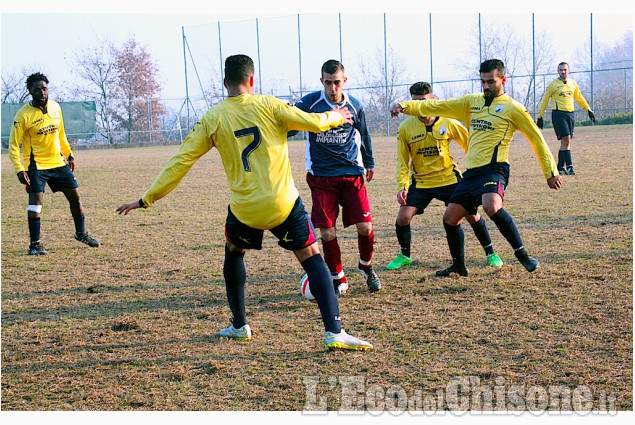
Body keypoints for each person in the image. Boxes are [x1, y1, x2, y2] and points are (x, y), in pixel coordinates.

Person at [117, 54, 372, 351]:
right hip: (283, 205)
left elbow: (181, 161)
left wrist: (147, 199)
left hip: (245, 210)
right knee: (313, 257)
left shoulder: (213, 117)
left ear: (224, 83)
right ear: (252, 80)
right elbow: (312, 122)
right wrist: (336, 117)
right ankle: (335, 332)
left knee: (234, 252)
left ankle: (239, 325)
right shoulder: (270, 105)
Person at [390, 59, 563, 275]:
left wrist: (551, 171)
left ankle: (522, 255)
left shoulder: (513, 108)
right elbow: (436, 105)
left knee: (491, 206)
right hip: (471, 174)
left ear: (503, 80)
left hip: (494, 168)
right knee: (450, 218)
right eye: (483, 82)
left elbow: (536, 138)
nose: (486, 86)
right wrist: (404, 106)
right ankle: (458, 265)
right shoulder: (471, 102)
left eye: (491, 81)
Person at [387, 82, 503, 273]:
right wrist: (403, 186)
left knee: (472, 216)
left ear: (432, 100)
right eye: (415, 103)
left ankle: (490, 253)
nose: (419, 107)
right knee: (403, 218)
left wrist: (481, 173)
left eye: (423, 102)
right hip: (421, 182)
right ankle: (405, 256)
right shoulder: (405, 127)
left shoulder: (448, 121)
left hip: (449, 179)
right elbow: (402, 161)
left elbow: (471, 145)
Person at [290, 59, 380, 295]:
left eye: (337, 83)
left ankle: (366, 267)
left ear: (344, 81)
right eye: (328, 83)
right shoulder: (309, 103)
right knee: (327, 231)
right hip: (321, 176)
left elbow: (365, 134)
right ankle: (337, 277)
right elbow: (289, 126)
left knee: (365, 226)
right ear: (322, 81)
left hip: (352, 174)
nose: (332, 88)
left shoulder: (355, 105)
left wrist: (368, 161)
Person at [8, 72, 99, 255]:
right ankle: (35, 244)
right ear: (30, 92)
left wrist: (69, 155)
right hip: (36, 166)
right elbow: (13, 145)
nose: (42, 92)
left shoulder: (56, 108)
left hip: (58, 163)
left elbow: (61, 135)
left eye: (44, 88)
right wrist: (19, 170)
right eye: (37, 90)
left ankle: (81, 233)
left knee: (75, 196)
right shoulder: (23, 115)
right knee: (36, 203)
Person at [536, 62, 595, 175]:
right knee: (566, 139)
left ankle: (559, 167)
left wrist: (588, 110)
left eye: (565, 70)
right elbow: (545, 100)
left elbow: (579, 98)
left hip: (570, 114)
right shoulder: (553, 85)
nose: (563, 72)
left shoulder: (572, 83)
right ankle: (570, 167)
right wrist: (540, 116)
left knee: (566, 142)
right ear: (557, 71)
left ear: (569, 70)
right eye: (561, 70)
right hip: (559, 115)